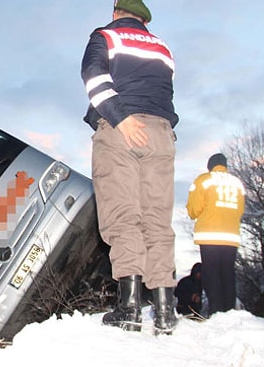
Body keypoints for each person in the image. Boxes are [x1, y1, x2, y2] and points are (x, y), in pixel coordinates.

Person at [81, 0, 179, 334]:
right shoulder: (162, 47)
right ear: (143, 19)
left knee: (123, 215)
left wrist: (120, 119)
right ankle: (166, 311)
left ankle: (129, 308)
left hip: (122, 131)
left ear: (116, 13)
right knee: (157, 220)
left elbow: (94, 77)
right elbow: (165, 92)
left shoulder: (106, 36)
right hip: (162, 135)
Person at [186, 153, 245, 316]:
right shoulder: (237, 183)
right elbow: (240, 209)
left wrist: (193, 213)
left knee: (211, 273)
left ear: (210, 165)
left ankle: (216, 310)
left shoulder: (204, 180)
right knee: (228, 272)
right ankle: (230, 310)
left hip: (210, 235)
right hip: (231, 236)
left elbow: (194, 208)